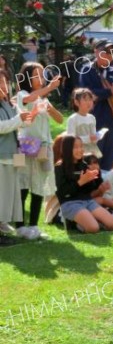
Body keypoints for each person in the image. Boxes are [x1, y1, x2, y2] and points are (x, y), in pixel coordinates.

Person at [16, 62, 63, 240]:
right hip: (24, 147)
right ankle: (20, 226)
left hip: (43, 147)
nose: (41, 78)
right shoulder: (22, 94)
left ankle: (34, 226)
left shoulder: (43, 98)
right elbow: (28, 102)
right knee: (22, 185)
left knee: (39, 185)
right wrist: (49, 88)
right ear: (27, 77)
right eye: (37, 74)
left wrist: (49, 107)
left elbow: (59, 120)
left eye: (42, 74)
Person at [79, 39, 113, 170]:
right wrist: (110, 92)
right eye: (105, 52)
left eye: (112, 52)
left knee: (109, 162)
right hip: (93, 124)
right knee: (92, 162)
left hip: (112, 124)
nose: (109, 55)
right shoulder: (87, 70)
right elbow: (87, 95)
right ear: (96, 51)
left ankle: (105, 189)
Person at [54, 135, 113, 233]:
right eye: (76, 147)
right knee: (94, 228)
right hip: (70, 203)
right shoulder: (60, 166)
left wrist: (94, 179)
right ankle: (73, 223)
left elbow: (89, 190)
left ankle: (89, 220)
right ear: (67, 149)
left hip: (87, 201)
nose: (80, 149)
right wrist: (80, 182)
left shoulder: (83, 165)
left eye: (81, 146)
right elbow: (63, 191)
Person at [0, 70, 30, 243]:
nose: (3, 86)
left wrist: (27, 117)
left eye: (4, 82)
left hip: (11, 153)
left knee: (9, 193)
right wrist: (19, 119)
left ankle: (3, 223)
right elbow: (2, 127)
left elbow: (21, 122)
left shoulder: (8, 104)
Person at [66, 88, 102, 158]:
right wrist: (88, 138)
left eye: (90, 99)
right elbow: (71, 140)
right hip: (79, 152)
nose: (89, 102)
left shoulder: (92, 118)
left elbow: (93, 136)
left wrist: (96, 137)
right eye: (85, 100)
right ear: (76, 102)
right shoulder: (73, 119)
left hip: (92, 151)